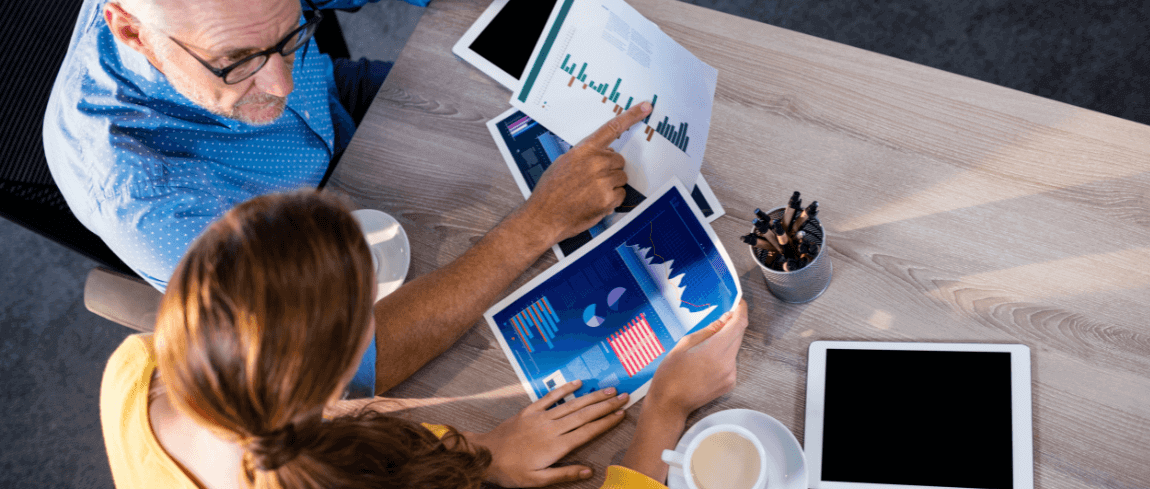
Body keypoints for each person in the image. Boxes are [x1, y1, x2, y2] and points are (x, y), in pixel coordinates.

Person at [43, 0, 610, 290]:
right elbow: (343, 357)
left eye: (291, 37)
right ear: (131, 31)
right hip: (291, 256)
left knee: (555, 110)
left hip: (344, 106)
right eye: (236, 61)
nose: (282, 83)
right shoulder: (141, 196)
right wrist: (532, 229)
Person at [100, 190, 750, 488]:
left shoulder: (135, 371)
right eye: (369, 312)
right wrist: (665, 408)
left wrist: (486, 454)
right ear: (337, 378)